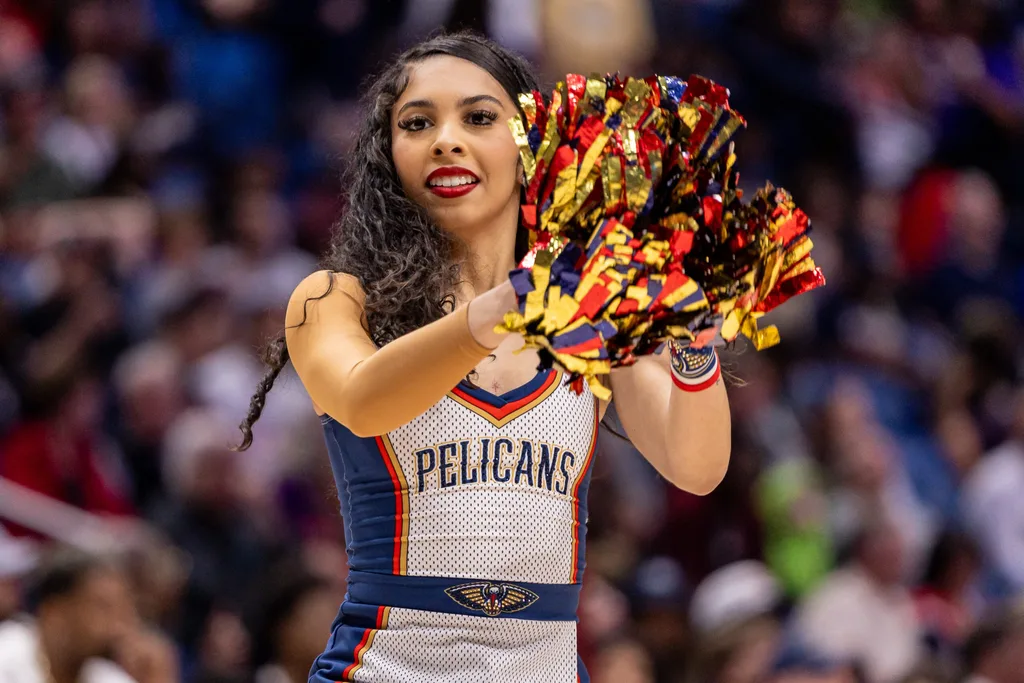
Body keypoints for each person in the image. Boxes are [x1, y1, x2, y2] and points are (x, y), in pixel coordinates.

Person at [237, 31, 732, 683]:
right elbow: (359, 399)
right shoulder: (334, 298)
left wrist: (692, 341)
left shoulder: (587, 317)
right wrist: (507, 302)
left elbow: (696, 466)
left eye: (477, 117)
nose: (446, 140)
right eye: (418, 123)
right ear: (390, 154)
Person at [0, 548, 179, 683]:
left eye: (124, 611)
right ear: (54, 612)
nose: (118, 627)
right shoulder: (7, 657)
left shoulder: (104, 675)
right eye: (104, 608)